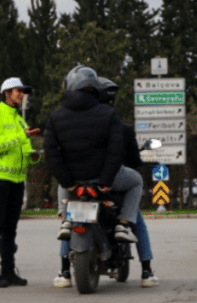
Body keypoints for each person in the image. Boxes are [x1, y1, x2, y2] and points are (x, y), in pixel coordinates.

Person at [53, 76, 158, 288]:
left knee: (71, 219)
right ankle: (146, 270)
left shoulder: (69, 119)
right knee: (136, 217)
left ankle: (64, 271)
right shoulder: (118, 125)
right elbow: (128, 160)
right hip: (110, 185)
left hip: (77, 182)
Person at [45, 64, 143, 248]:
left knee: (61, 184)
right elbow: (116, 150)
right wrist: (105, 180)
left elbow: (51, 153)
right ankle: (123, 224)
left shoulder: (56, 116)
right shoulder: (108, 114)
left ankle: (65, 219)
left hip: (74, 179)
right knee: (136, 180)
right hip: (104, 179)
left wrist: (67, 181)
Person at [0, 78, 41, 288]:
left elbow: (24, 146)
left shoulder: (18, 119)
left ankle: (8, 271)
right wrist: (20, 136)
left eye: (23, 91)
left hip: (17, 181)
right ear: (7, 93)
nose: (21, 94)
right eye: (18, 90)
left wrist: (34, 155)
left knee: (10, 230)